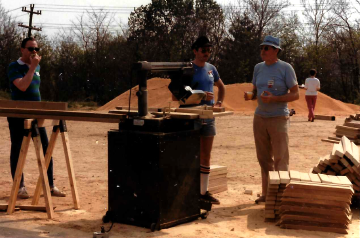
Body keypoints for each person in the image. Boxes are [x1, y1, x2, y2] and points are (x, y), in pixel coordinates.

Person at [7, 37, 66, 199]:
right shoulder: (14, 66)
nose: (34, 52)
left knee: (46, 148)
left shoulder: (37, 66)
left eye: (36, 49)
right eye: (31, 49)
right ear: (22, 50)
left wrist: (34, 67)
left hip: (37, 114)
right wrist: (32, 68)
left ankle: (50, 185)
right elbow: (22, 86)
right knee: (18, 150)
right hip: (18, 113)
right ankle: (20, 187)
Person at [244, 35, 299, 204]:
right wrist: (250, 96)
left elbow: (295, 94)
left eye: (266, 48)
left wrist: (274, 99)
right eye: (262, 48)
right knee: (264, 158)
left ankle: (280, 197)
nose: (263, 51)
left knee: (281, 158)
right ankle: (266, 194)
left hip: (279, 118)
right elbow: (255, 92)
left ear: (276, 50)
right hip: (260, 118)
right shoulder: (258, 68)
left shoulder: (285, 68)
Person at [172, 36, 225, 204]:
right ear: (195, 50)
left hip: (208, 116)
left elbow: (222, 87)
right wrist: (200, 95)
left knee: (205, 155)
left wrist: (219, 102)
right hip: (189, 116)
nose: (206, 54)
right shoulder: (187, 69)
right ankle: (185, 192)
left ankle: (203, 192)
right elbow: (175, 96)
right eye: (203, 50)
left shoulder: (211, 69)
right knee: (188, 155)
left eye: (209, 50)